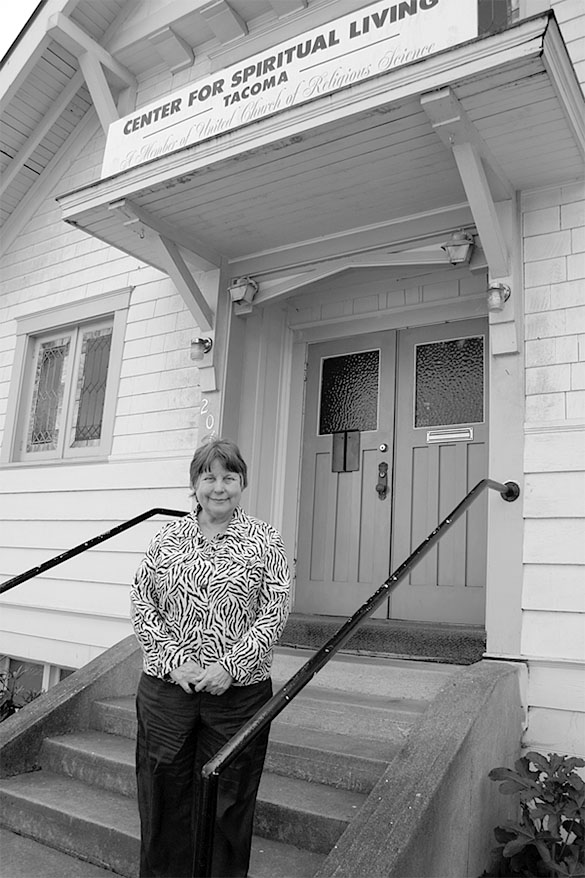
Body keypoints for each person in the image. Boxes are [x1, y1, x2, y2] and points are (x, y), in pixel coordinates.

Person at [130, 438, 291, 878]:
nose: (218, 488)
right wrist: (172, 659)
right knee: (163, 796)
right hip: (168, 692)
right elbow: (143, 603)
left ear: (242, 483)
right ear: (194, 484)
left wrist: (230, 666)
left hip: (237, 696)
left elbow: (273, 613)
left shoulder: (265, 540)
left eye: (229, 477)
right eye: (209, 477)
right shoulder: (167, 538)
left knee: (229, 803)